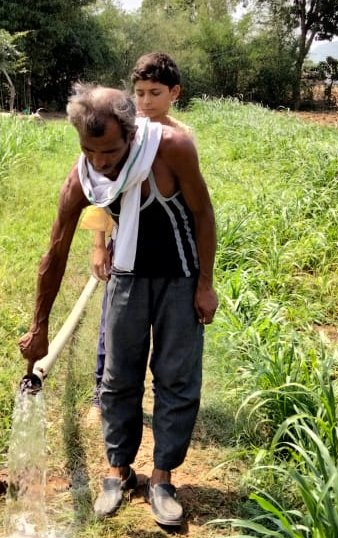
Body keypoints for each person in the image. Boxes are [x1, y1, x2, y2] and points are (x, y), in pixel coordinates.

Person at [18, 84, 217, 527]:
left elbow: (203, 213)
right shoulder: (83, 176)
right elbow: (55, 251)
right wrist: (40, 326)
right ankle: (118, 470)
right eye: (90, 150)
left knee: (176, 379)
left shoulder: (171, 149)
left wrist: (205, 283)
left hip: (179, 278)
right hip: (125, 278)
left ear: (131, 134)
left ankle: (162, 478)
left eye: (109, 151)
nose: (101, 161)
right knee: (116, 379)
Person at [82, 52, 191, 408]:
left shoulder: (180, 140)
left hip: (163, 252)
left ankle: (164, 397)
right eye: (140, 92)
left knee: (164, 333)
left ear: (174, 93)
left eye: (155, 93)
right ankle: (104, 387)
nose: (145, 101)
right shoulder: (126, 135)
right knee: (113, 324)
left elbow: (189, 203)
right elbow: (102, 192)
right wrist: (100, 244)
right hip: (123, 244)